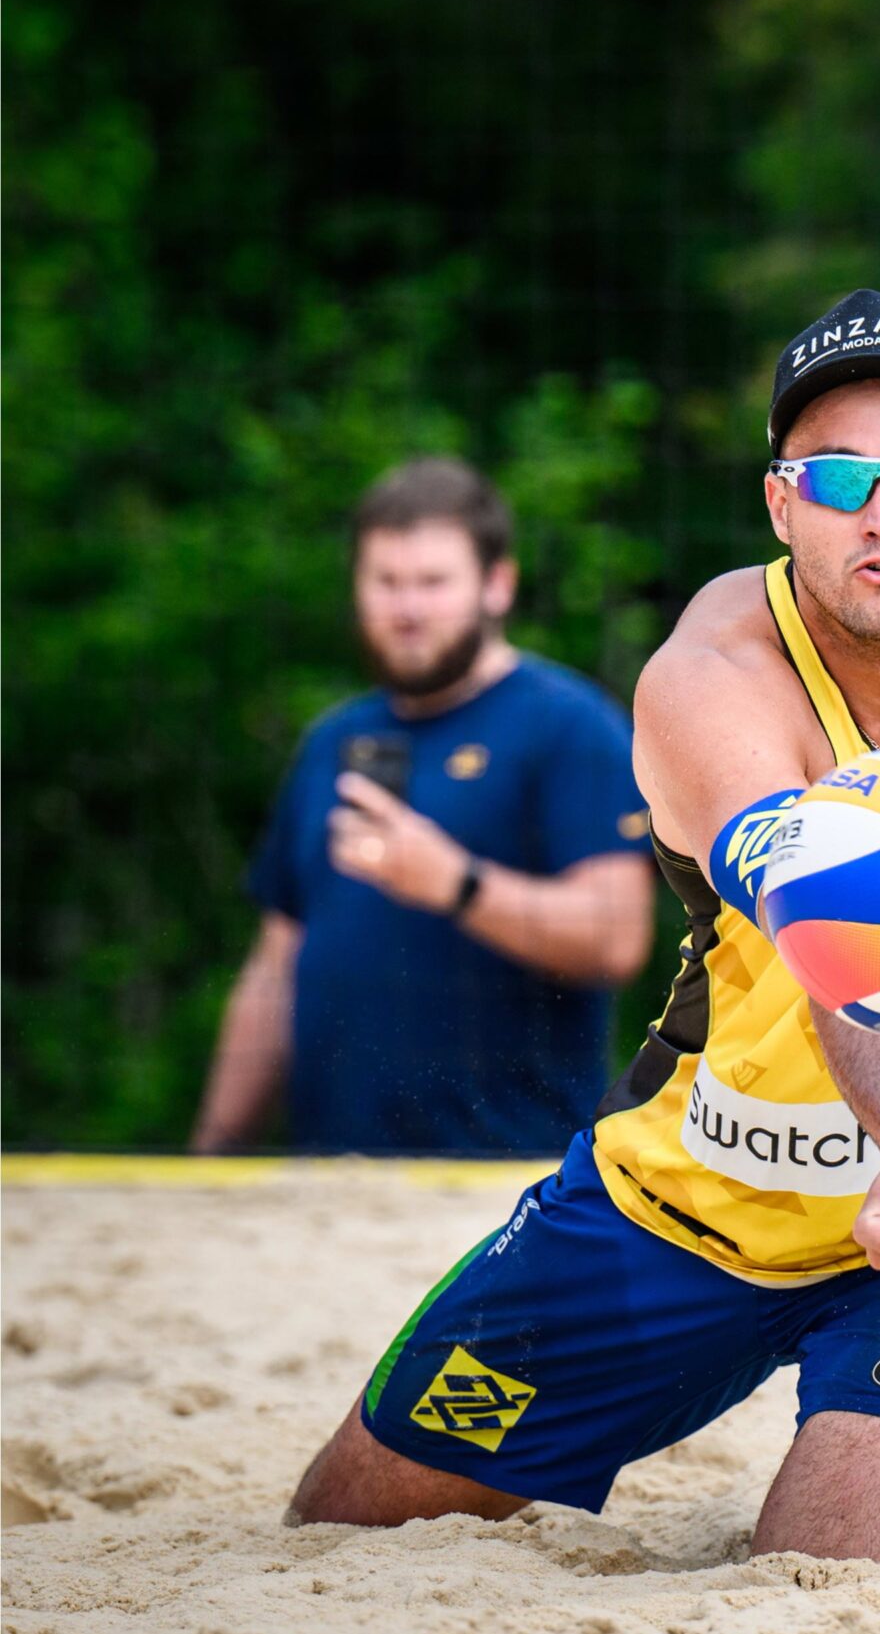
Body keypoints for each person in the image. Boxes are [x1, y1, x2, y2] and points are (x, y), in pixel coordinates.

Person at [285, 291, 880, 1563]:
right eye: (839, 475)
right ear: (780, 503)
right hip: (694, 1191)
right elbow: (840, 935)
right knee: (341, 1529)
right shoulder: (708, 677)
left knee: (829, 1569)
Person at [192, 457, 658, 1155]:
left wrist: (454, 882)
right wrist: (211, 1156)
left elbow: (617, 939)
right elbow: (275, 969)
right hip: (321, 1185)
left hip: (504, 1183)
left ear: (497, 585)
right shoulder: (334, 740)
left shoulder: (570, 727)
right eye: (386, 582)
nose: (407, 609)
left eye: (433, 583)